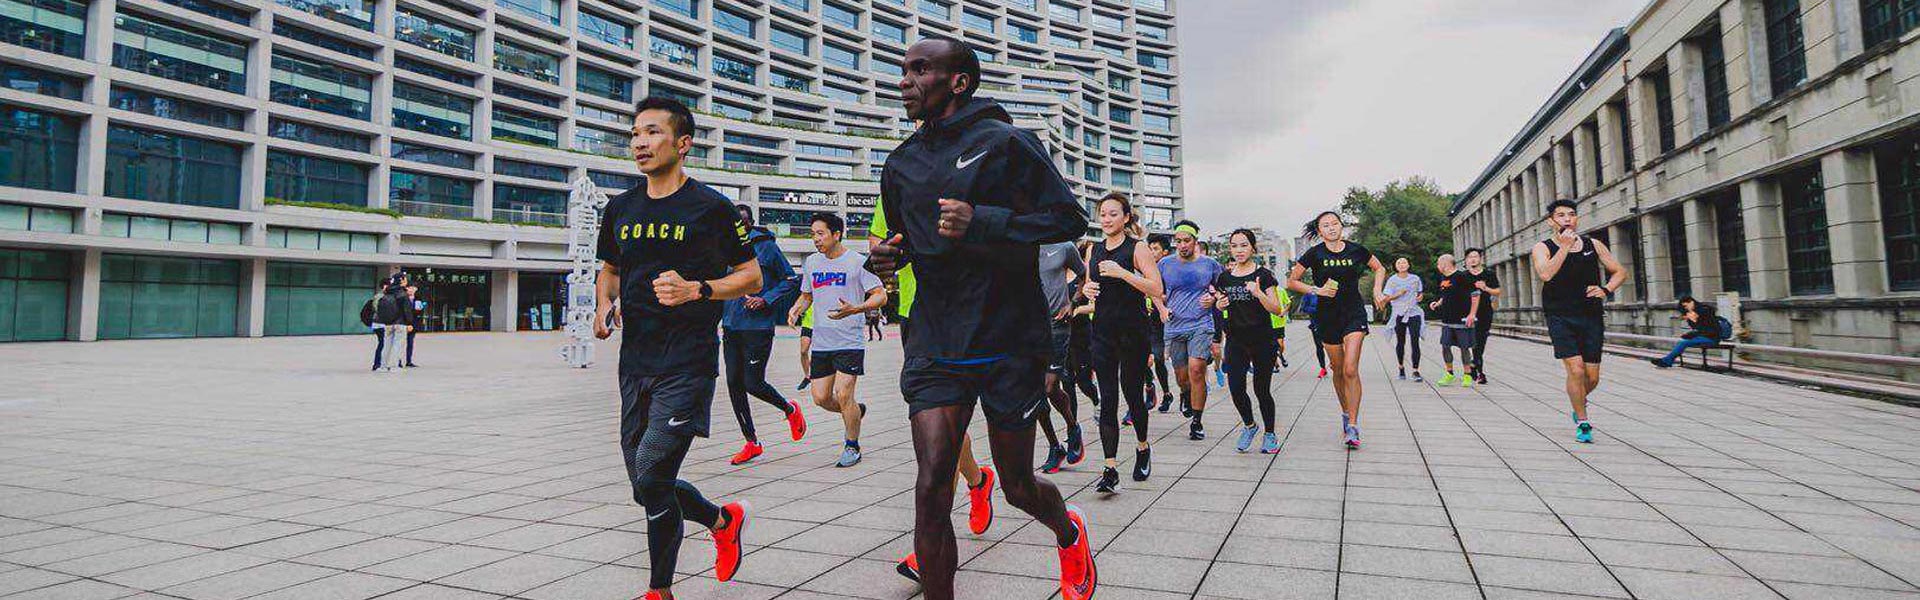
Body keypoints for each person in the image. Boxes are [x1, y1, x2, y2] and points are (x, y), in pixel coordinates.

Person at [864, 36, 1094, 600]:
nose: (905, 81)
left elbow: (1069, 219)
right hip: (937, 338)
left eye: (920, 70)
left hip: (1008, 337)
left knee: (1017, 485)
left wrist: (985, 220)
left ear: (959, 82)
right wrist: (892, 256)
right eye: (904, 70)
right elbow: (912, 239)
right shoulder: (901, 163)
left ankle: (1068, 532)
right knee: (931, 484)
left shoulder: (1008, 143)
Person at [591, 96, 754, 600]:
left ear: (683, 144)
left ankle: (658, 591)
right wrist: (602, 305)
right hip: (635, 363)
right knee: (646, 486)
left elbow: (751, 276)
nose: (640, 142)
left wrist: (698, 289)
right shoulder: (620, 208)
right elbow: (610, 270)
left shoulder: (712, 208)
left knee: (654, 473)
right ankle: (722, 520)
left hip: (687, 362)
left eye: (652, 132)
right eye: (635, 133)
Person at [866, 187, 1001, 585]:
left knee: (946, 433)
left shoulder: (971, 178)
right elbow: (876, 241)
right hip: (917, 314)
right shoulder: (899, 184)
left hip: (969, 313)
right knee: (938, 433)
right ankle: (975, 484)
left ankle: (934, 539)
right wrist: (885, 253)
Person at [789, 212, 888, 468]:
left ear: (836, 234)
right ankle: (855, 411)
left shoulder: (858, 262)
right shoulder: (812, 263)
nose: (815, 239)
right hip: (822, 342)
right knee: (821, 398)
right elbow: (807, 295)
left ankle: (852, 445)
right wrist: (796, 309)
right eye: (813, 234)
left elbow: (880, 295)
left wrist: (856, 309)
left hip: (849, 341)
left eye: (820, 233)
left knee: (843, 394)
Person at [1286, 211, 1386, 450]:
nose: (1331, 228)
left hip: (1353, 313)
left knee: (1351, 369)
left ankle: (1353, 425)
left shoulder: (1356, 250)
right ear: (1320, 231)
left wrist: (1377, 290)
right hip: (1327, 316)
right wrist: (1316, 290)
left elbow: (1379, 268)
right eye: (1325, 225)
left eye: (1334, 224)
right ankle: (1345, 412)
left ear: (1341, 226)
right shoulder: (1315, 253)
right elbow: (1292, 281)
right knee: (1338, 370)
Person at [1529, 199, 1627, 444]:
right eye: (1561, 215)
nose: (1567, 219)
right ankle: (1583, 422)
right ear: (1551, 221)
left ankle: (1577, 402)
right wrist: (1564, 247)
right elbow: (1546, 274)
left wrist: (1606, 289)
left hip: (1590, 315)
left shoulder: (1593, 245)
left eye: (1571, 214)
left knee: (1592, 377)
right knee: (1576, 369)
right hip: (1559, 315)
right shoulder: (1542, 247)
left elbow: (1620, 271)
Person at [1083, 193, 1162, 492]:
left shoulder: (1137, 248)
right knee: (1107, 399)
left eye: (1113, 214)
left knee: (1132, 393)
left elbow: (1156, 288)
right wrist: (1087, 290)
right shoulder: (1093, 249)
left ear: (1126, 217)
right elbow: (1088, 285)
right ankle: (1110, 468)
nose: (1106, 219)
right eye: (1103, 214)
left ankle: (1142, 447)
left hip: (1133, 332)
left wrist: (1123, 273)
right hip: (1102, 331)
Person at [720, 204, 806, 465]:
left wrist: (765, 299)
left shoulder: (766, 246)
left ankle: (789, 409)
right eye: (735, 222)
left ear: (751, 222)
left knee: (752, 383)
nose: (739, 226)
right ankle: (751, 442)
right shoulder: (723, 247)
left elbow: (790, 279)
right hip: (731, 326)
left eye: (743, 222)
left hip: (757, 328)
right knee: (734, 384)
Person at [1213, 229, 1285, 454]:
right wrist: (1219, 305)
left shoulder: (1264, 275)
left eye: (1244, 245)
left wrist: (1259, 293)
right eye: (1234, 246)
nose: (1239, 250)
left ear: (1253, 248)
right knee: (1235, 388)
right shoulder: (1225, 277)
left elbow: (1277, 308)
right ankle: (1250, 425)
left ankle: (1270, 434)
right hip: (1236, 340)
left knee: (1261, 390)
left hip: (1263, 340)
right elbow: (1220, 302)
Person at [1158, 220, 1224, 441]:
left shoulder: (1210, 264)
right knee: (1182, 376)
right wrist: (1162, 306)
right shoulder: (1165, 264)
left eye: (1186, 241)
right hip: (1174, 325)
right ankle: (1185, 394)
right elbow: (1155, 290)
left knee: (1197, 370)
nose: (1182, 245)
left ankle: (1197, 421)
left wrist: (1212, 298)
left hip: (1201, 324)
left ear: (1195, 241)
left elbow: (1222, 290)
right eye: (1178, 241)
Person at [1035, 240, 1088, 473]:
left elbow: (1084, 275)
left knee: (1049, 387)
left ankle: (1073, 426)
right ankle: (1055, 446)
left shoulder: (1065, 247)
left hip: (1057, 324)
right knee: (1035, 395)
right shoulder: (1020, 245)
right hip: (1029, 328)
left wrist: (1073, 303)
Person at [1428, 254, 1481, 387]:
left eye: (1438, 263)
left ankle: (1467, 375)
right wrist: (1438, 303)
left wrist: (1472, 314)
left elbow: (1475, 295)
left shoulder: (1462, 276)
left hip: (1462, 319)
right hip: (1447, 320)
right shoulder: (1443, 278)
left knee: (1464, 347)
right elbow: (1445, 295)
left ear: (1445, 264)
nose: (1437, 266)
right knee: (1445, 346)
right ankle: (1449, 373)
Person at [1141, 235, 1177, 413]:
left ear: (1165, 252)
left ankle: (1167, 393)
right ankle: (1149, 387)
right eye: (1150, 248)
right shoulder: (1142, 269)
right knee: (1141, 358)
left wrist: (1154, 295)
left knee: (1158, 359)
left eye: (1155, 249)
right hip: (1143, 321)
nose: (1151, 252)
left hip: (1163, 322)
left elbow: (1172, 296)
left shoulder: (1169, 272)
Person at [1650, 296, 1727, 368]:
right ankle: (1667, 361)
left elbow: (1709, 328)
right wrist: (1692, 321)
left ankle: (1666, 361)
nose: (1685, 308)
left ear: (1691, 302)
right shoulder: (1692, 313)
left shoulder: (1705, 310)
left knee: (1683, 343)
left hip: (1712, 338)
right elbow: (1697, 329)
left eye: (1686, 306)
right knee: (1683, 341)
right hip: (1704, 336)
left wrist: (1695, 320)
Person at [1381, 258, 1423, 381]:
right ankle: (1401, 367)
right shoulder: (1392, 280)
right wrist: (1398, 294)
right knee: (1401, 341)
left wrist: (1420, 297)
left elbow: (1420, 293)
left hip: (1414, 312)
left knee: (1415, 340)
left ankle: (1415, 370)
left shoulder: (1415, 279)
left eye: (1404, 262)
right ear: (1395, 266)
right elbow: (1386, 298)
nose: (1402, 264)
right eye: (1399, 263)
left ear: (1409, 265)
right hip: (1399, 314)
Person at [1464, 248, 1502, 384]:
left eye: (1475, 256)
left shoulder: (1489, 274)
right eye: (1470, 257)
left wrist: (1485, 288)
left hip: (1485, 311)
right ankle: (1478, 369)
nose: (1473, 259)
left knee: (1481, 339)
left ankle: (1475, 365)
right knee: (1472, 340)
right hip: (1467, 313)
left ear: (1480, 258)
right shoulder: (1463, 276)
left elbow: (1497, 291)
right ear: (1466, 260)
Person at [368, 273, 413, 372]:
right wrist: (409, 323)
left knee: (386, 345)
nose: (406, 281)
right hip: (400, 323)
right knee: (397, 344)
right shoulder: (402, 293)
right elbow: (407, 310)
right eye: (405, 279)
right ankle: (394, 366)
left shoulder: (387, 292)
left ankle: (383, 366)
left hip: (388, 323)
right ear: (401, 280)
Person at [1301, 292, 1328, 378]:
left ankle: (1335, 364)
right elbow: (1304, 308)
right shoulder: (1309, 293)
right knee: (1319, 346)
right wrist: (1316, 309)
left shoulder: (1330, 290)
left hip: (1331, 323)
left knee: (1333, 345)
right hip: (1316, 324)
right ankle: (1323, 368)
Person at [402, 285, 422, 368]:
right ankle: (398, 361)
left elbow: (419, 312)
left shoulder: (417, 300)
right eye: (410, 288)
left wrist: (419, 310)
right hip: (403, 323)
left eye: (414, 289)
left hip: (413, 324)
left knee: (410, 343)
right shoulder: (403, 298)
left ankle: (409, 361)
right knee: (400, 343)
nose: (412, 290)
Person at [795, 306, 813, 391]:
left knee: (818, 353)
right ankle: (807, 376)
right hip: (807, 324)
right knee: (803, 351)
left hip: (822, 326)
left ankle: (816, 374)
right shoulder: (807, 297)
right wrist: (799, 311)